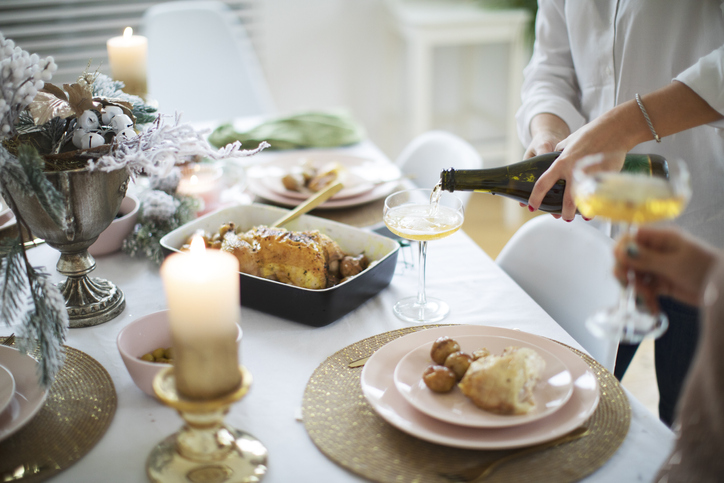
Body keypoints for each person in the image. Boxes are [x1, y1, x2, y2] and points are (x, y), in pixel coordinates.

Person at [515, 0, 724, 426]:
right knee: (570, 419)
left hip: (706, 234)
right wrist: (549, 131)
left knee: (692, 433)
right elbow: (550, 66)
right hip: (597, 233)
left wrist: (625, 124)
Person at [613, 227, 723, 482]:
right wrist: (710, 273)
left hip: (711, 240)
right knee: (594, 387)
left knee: (676, 412)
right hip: (681, 259)